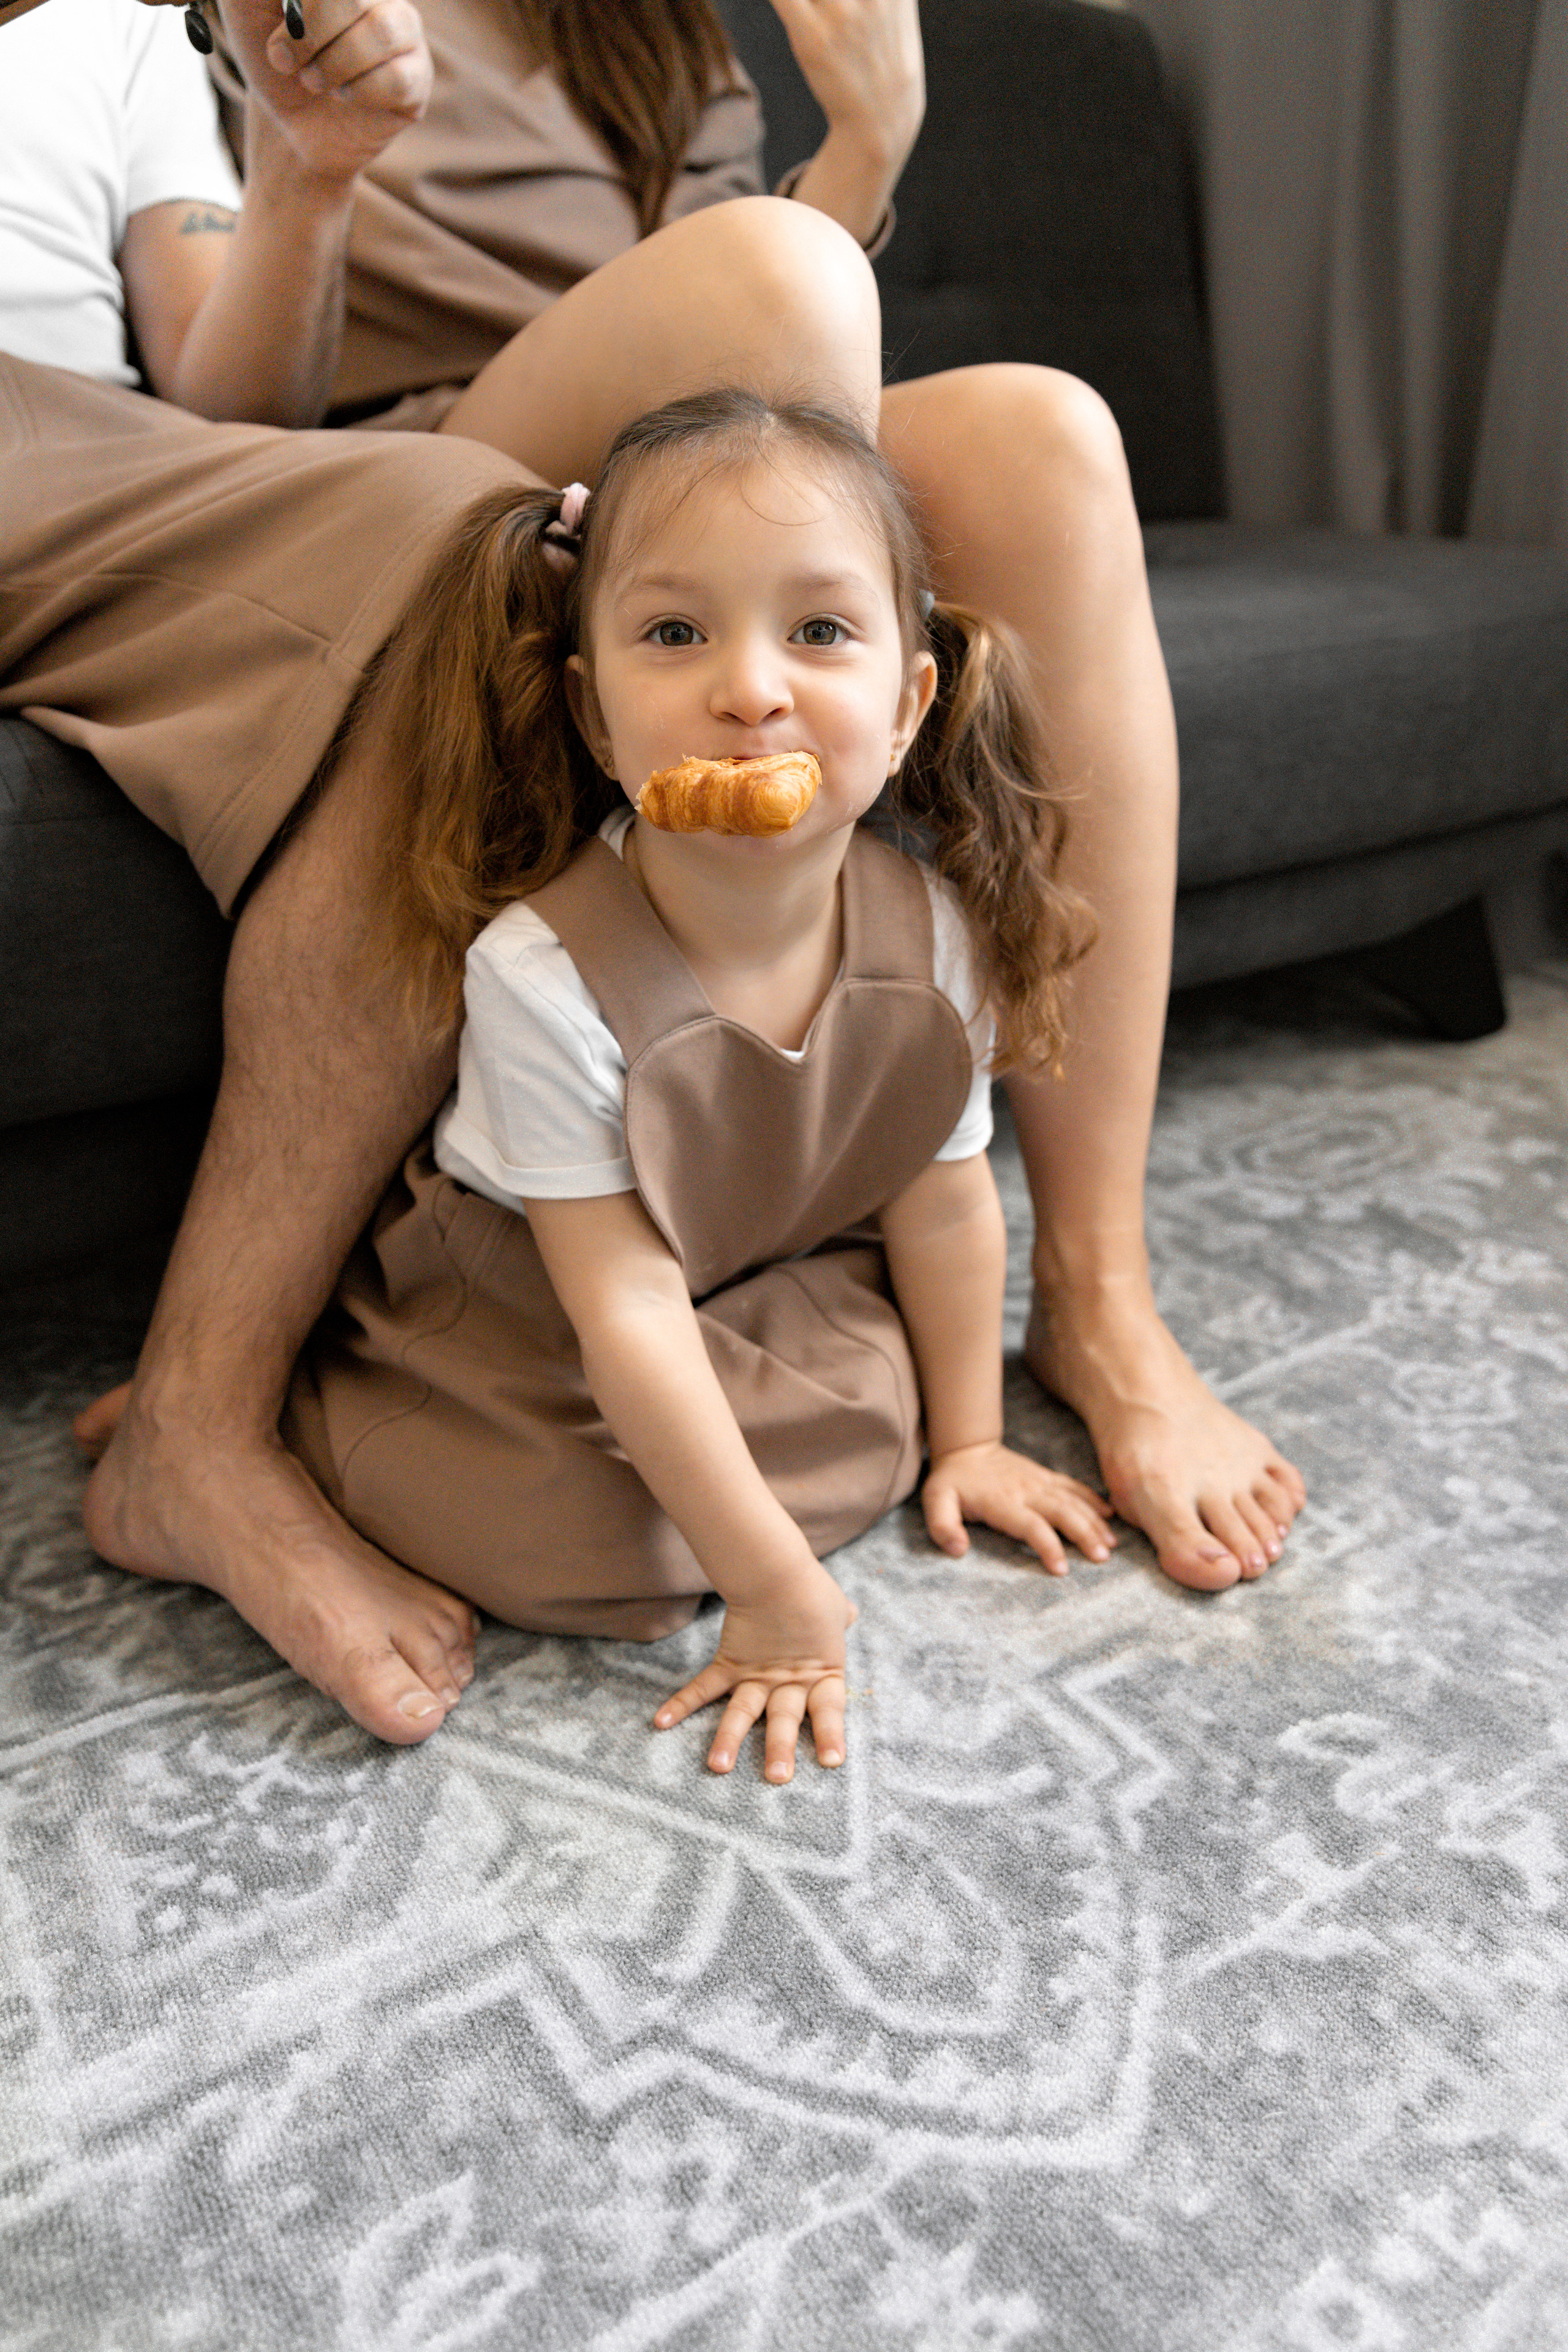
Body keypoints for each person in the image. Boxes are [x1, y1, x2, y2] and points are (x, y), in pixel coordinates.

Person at [282, 385, 1118, 1784]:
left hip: (749, 1280)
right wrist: (778, 1595)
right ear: (596, 718)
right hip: (532, 1324)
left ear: (909, 704)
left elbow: (943, 1208)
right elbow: (619, 1308)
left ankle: (803, 1475)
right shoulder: (544, 972)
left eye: (820, 633)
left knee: (877, 1428)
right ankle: (300, 1415)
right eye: (673, 635)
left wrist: (968, 1442)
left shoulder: (937, 940)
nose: (748, 691)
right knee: (579, 1558)